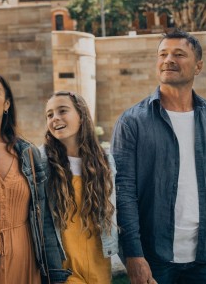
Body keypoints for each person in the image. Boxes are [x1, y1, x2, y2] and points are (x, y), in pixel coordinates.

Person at [112, 30, 206, 284]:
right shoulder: (132, 122)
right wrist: (133, 254)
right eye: (162, 54)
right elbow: (123, 192)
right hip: (154, 258)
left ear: (198, 66)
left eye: (179, 54)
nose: (168, 59)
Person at [0, 70, 70, 284]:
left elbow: (45, 220)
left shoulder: (27, 153)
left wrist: (55, 274)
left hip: (25, 262)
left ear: (7, 104)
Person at [42, 91, 118, 284]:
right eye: (49, 114)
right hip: (63, 269)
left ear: (82, 116)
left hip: (99, 264)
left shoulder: (104, 161)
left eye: (62, 111)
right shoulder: (41, 162)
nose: (55, 118)